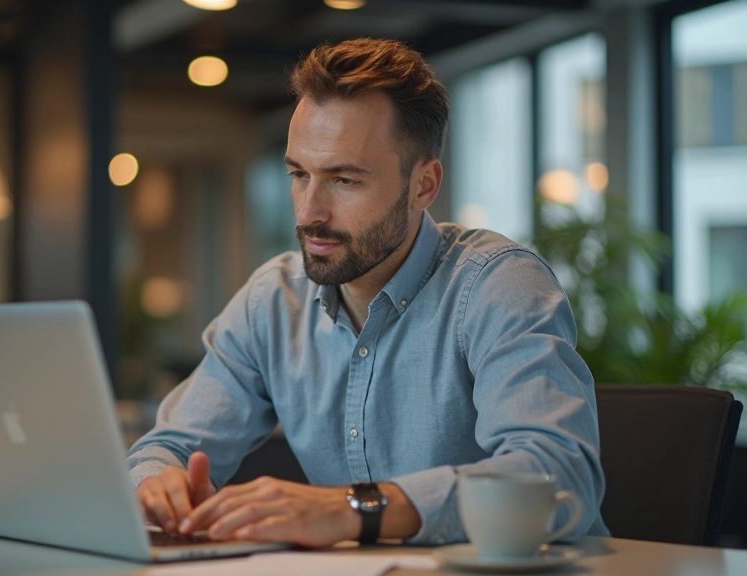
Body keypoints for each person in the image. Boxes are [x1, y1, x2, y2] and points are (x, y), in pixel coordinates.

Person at [127, 37, 608, 547]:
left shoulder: (497, 284)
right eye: (298, 174)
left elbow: (557, 475)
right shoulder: (273, 301)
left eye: (343, 180)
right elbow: (170, 447)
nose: (310, 211)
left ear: (423, 186)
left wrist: (356, 509)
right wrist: (160, 485)